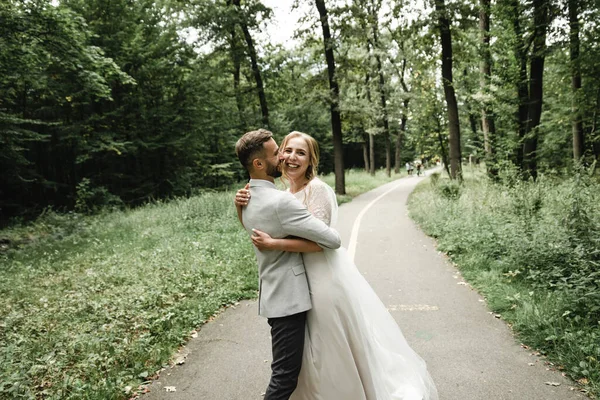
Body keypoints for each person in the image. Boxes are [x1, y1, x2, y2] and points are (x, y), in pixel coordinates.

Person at [235, 131, 438, 400]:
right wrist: (241, 209)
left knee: (330, 346)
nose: (289, 157)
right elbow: (260, 225)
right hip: (297, 282)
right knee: (309, 353)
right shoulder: (280, 195)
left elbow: (328, 240)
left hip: (321, 277)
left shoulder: (317, 191)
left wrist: (275, 244)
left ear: (311, 160)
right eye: (285, 151)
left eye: (300, 153)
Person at [234, 129, 342, 400]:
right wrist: (276, 244)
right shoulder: (281, 201)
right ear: (259, 163)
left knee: (301, 365)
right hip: (288, 297)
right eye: (277, 152)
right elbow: (332, 239)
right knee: (284, 376)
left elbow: (256, 226)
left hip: (277, 292)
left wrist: (241, 211)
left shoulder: (248, 197)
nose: (283, 156)